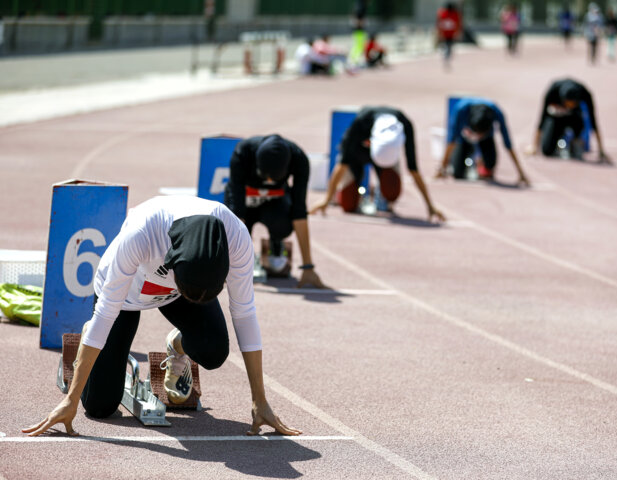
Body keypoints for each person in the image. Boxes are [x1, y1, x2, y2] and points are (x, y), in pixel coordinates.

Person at [23, 196, 301, 437]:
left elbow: (244, 314)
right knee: (99, 407)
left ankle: (176, 346)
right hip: (127, 297)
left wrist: (259, 400)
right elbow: (107, 312)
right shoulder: (142, 233)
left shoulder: (236, 237)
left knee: (214, 352)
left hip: (181, 292)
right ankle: (88, 345)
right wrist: (70, 400)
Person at [310, 106, 445, 222]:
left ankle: (380, 195)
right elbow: (342, 165)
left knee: (392, 190)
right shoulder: (361, 123)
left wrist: (430, 206)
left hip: (387, 161)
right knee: (348, 204)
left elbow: (414, 170)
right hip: (357, 156)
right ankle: (357, 193)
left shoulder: (405, 125)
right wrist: (326, 200)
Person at [224, 134, 325, 288]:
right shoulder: (243, 152)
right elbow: (237, 213)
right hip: (244, 203)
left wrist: (308, 266)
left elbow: (299, 212)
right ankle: (243, 257)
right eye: (266, 176)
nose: (269, 182)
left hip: (274, 204)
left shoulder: (299, 159)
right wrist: (234, 261)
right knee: (233, 227)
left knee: (284, 224)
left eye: (274, 178)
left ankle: (276, 245)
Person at [437, 98, 530, 186]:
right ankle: (465, 158)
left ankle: (481, 162)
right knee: (457, 173)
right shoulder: (460, 109)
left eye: (481, 134)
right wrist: (442, 168)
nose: (478, 137)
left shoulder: (497, 112)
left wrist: (520, 172)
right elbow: (451, 140)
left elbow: (508, 144)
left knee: (490, 165)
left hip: (487, 139)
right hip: (465, 136)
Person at [527, 78, 609, 162]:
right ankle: (558, 143)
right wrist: (534, 145)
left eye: (572, 104)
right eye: (567, 104)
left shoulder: (584, 93)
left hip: (575, 118)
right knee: (546, 150)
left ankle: (576, 142)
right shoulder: (552, 91)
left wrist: (601, 149)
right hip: (556, 118)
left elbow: (593, 121)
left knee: (577, 154)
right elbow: (542, 118)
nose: (569, 106)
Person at [436, 2, 461, 69]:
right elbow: (458, 24)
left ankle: (446, 55)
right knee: (449, 45)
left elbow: (439, 23)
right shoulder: (454, 14)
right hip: (450, 33)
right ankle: (447, 55)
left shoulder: (443, 13)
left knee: (447, 45)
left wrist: (439, 32)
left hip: (446, 33)